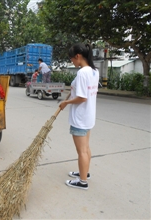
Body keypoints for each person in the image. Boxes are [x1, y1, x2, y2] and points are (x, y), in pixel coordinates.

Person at [59, 43, 99, 190]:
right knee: (86, 147)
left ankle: (82, 181)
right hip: (88, 116)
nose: (72, 62)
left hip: (81, 117)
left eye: (71, 59)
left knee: (81, 150)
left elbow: (82, 97)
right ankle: (85, 172)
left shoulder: (82, 73)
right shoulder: (94, 71)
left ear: (78, 56)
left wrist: (66, 102)